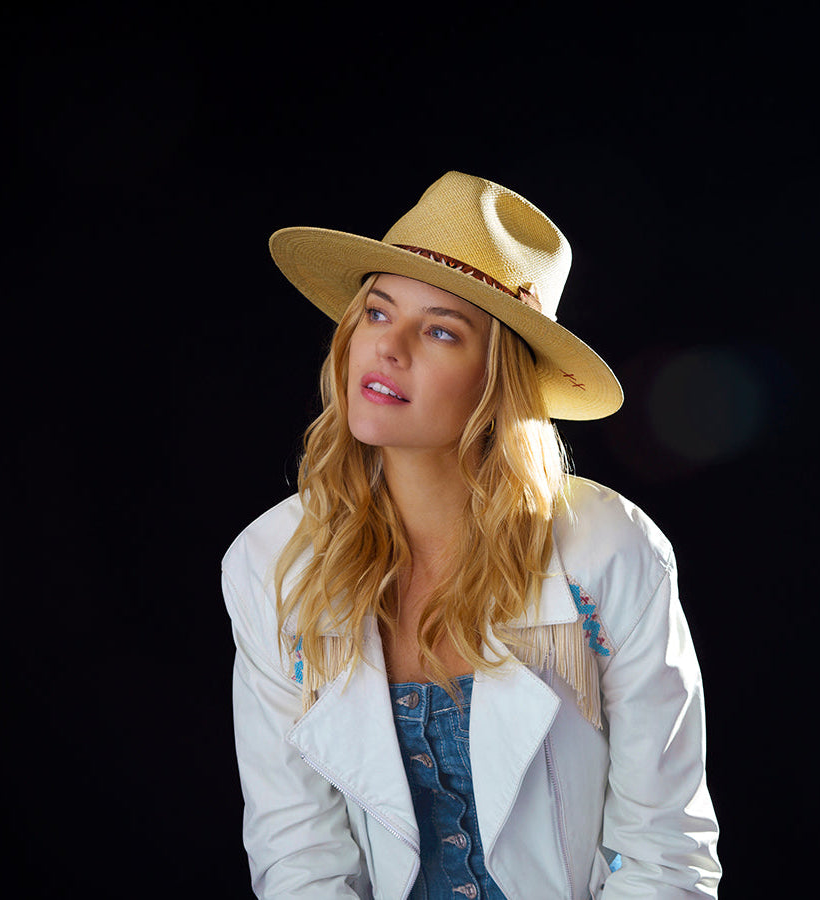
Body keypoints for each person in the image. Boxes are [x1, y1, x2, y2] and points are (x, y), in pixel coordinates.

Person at [221, 171, 722, 899]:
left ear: (499, 378)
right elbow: (299, 858)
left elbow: (665, 851)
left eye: (440, 330)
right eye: (377, 312)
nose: (388, 348)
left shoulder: (611, 553)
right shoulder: (271, 565)